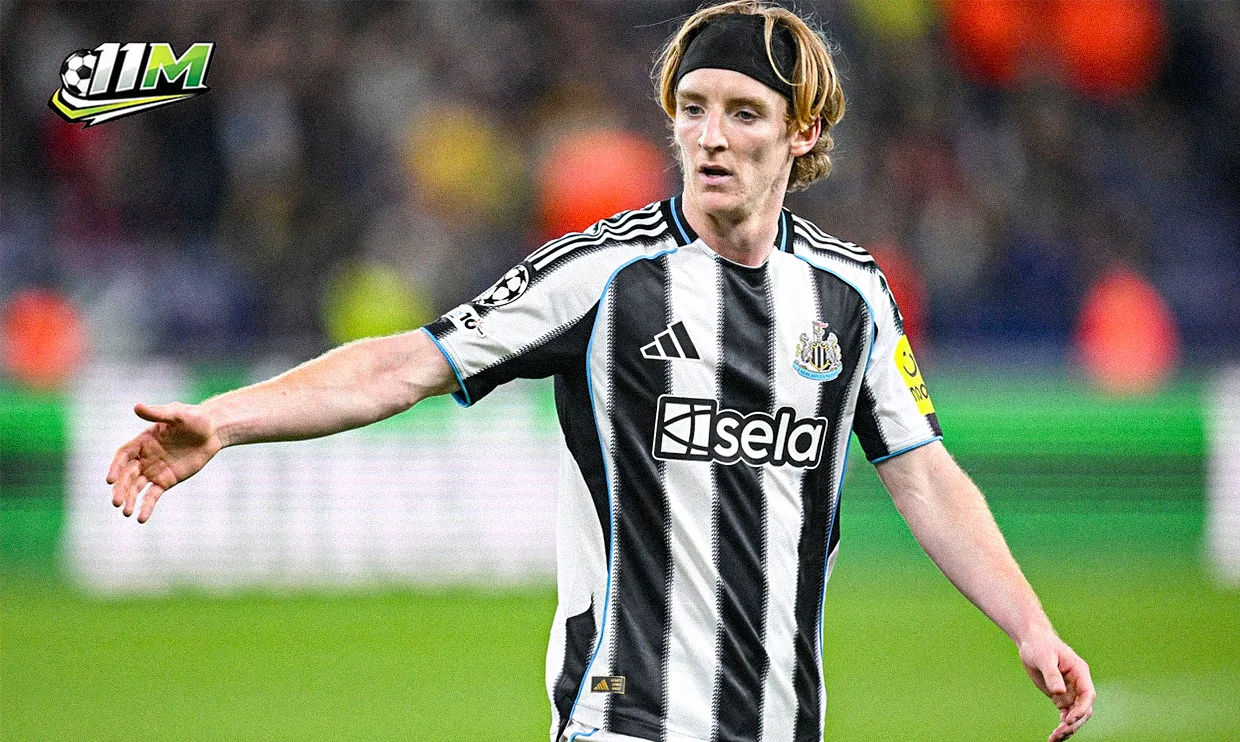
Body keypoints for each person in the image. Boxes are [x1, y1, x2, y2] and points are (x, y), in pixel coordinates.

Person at [106, 2, 1095, 741]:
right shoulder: (600, 275)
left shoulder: (851, 294)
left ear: (801, 133)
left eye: (744, 113)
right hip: (622, 717)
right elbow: (404, 364)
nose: (710, 136)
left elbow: (923, 474)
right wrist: (226, 418)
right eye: (692, 108)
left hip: (783, 721)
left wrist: (1029, 622)